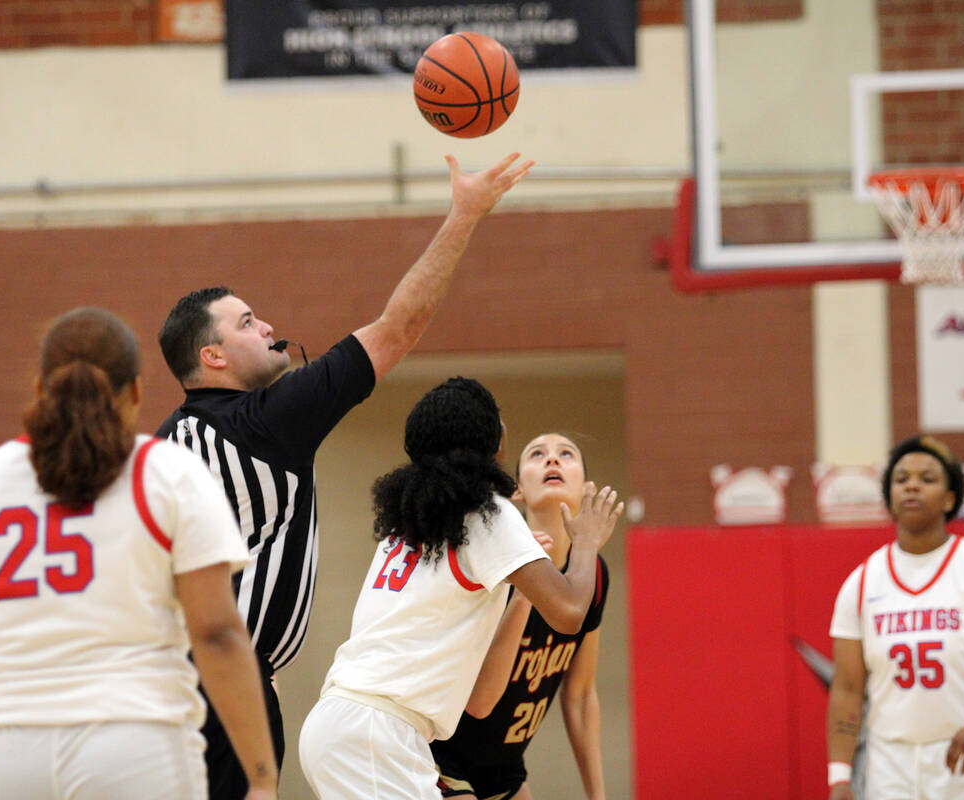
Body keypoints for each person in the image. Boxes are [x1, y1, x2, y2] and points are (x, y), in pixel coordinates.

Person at [155, 152, 532, 799]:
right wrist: (464, 215)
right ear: (211, 356)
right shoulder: (265, 419)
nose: (268, 325)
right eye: (247, 322)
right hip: (221, 689)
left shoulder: (162, 446)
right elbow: (399, 328)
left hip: (156, 691)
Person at [0, 307, 278, 800]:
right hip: (137, 745)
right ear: (138, 393)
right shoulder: (170, 473)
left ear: (40, 389)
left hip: (7, 754)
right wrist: (260, 777)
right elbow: (216, 635)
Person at [298, 378, 623, 800]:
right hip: (378, 732)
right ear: (491, 446)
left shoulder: (414, 522)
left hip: (354, 726)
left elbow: (484, 701)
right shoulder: (488, 514)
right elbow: (568, 610)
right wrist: (585, 542)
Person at [826, 434, 964, 800]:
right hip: (891, 758)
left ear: (949, 499)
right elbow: (847, 688)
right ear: (890, 498)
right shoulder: (862, 581)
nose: (912, 485)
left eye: (927, 478)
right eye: (901, 479)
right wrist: (839, 775)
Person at [432, 432, 610, 800]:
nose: (553, 460)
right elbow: (478, 699)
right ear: (517, 491)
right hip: (443, 749)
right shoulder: (496, 564)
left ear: (585, 488)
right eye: (537, 454)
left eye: (566, 454)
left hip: (504, 765)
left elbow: (579, 696)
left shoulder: (595, 575)